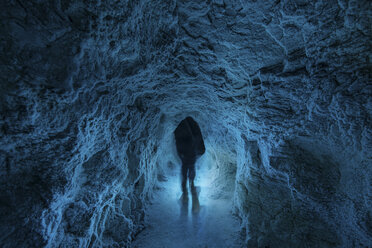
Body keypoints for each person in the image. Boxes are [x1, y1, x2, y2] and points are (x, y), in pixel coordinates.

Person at [174, 116, 205, 195]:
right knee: (190, 165)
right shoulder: (192, 124)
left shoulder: (180, 125)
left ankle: (185, 187)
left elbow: (177, 138)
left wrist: (180, 153)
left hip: (185, 150)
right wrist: (199, 150)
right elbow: (198, 136)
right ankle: (191, 184)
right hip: (191, 149)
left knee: (185, 166)